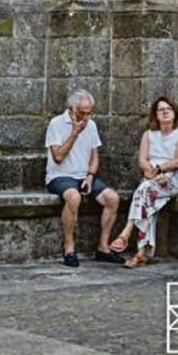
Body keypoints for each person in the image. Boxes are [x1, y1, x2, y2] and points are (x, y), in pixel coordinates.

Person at [44, 90, 124, 267]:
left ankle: (103, 248)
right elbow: (57, 157)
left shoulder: (92, 125)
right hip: (60, 176)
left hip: (83, 175)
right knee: (74, 197)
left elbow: (94, 155)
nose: (86, 117)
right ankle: (69, 248)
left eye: (89, 112)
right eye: (82, 112)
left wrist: (89, 176)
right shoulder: (56, 123)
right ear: (72, 109)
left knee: (112, 198)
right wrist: (74, 133)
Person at [109, 96, 178, 267]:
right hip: (153, 177)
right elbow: (142, 160)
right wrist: (150, 172)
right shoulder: (148, 134)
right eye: (161, 110)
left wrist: (160, 170)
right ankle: (140, 254)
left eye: (169, 108)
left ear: (175, 113)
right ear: (156, 115)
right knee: (149, 203)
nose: (165, 112)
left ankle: (127, 231)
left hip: (175, 177)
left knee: (145, 189)